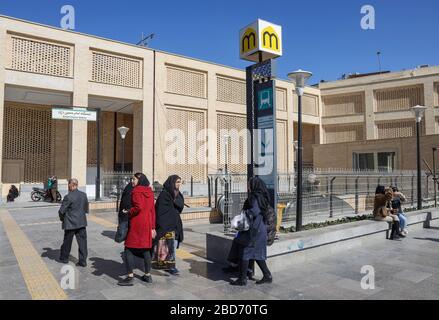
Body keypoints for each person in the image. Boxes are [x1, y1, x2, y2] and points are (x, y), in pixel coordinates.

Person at [230, 177, 273, 286]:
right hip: (260, 228)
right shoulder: (262, 196)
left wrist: (243, 215)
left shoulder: (255, 197)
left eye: (249, 184)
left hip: (254, 230)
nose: (248, 187)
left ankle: (242, 279)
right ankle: (267, 275)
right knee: (256, 254)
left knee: (245, 252)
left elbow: (253, 211)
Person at [118, 173, 156, 286]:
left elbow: (138, 207)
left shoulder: (136, 191)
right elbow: (152, 211)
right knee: (145, 249)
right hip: (147, 224)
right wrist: (153, 227)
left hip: (137, 224)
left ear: (139, 180)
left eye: (134, 179)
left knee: (128, 249)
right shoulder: (149, 191)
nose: (132, 181)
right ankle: (147, 275)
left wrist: (128, 212)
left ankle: (130, 276)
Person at [152, 175, 184, 275]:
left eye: (180, 182)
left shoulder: (177, 194)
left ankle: (169, 265)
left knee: (172, 245)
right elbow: (160, 211)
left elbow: (180, 205)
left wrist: (175, 202)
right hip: (166, 225)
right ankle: (170, 266)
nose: (179, 184)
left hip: (175, 224)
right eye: (177, 182)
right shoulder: (164, 194)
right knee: (168, 245)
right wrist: (164, 223)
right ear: (172, 182)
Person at [58, 178, 89, 267]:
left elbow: (61, 211)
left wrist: (62, 219)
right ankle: (83, 261)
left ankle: (64, 258)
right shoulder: (83, 195)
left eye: (68, 184)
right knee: (82, 243)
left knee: (67, 242)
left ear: (72, 185)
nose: (68, 186)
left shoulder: (68, 197)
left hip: (70, 223)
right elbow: (86, 209)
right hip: (81, 222)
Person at [114, 179, 133, 243]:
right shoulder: (130, 188)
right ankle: (120, 237)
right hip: (125, 211)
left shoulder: (128, 187)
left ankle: (122, 237)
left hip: (124, 210)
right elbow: (126, 201)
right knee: (124, 225)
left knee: (123, 225)